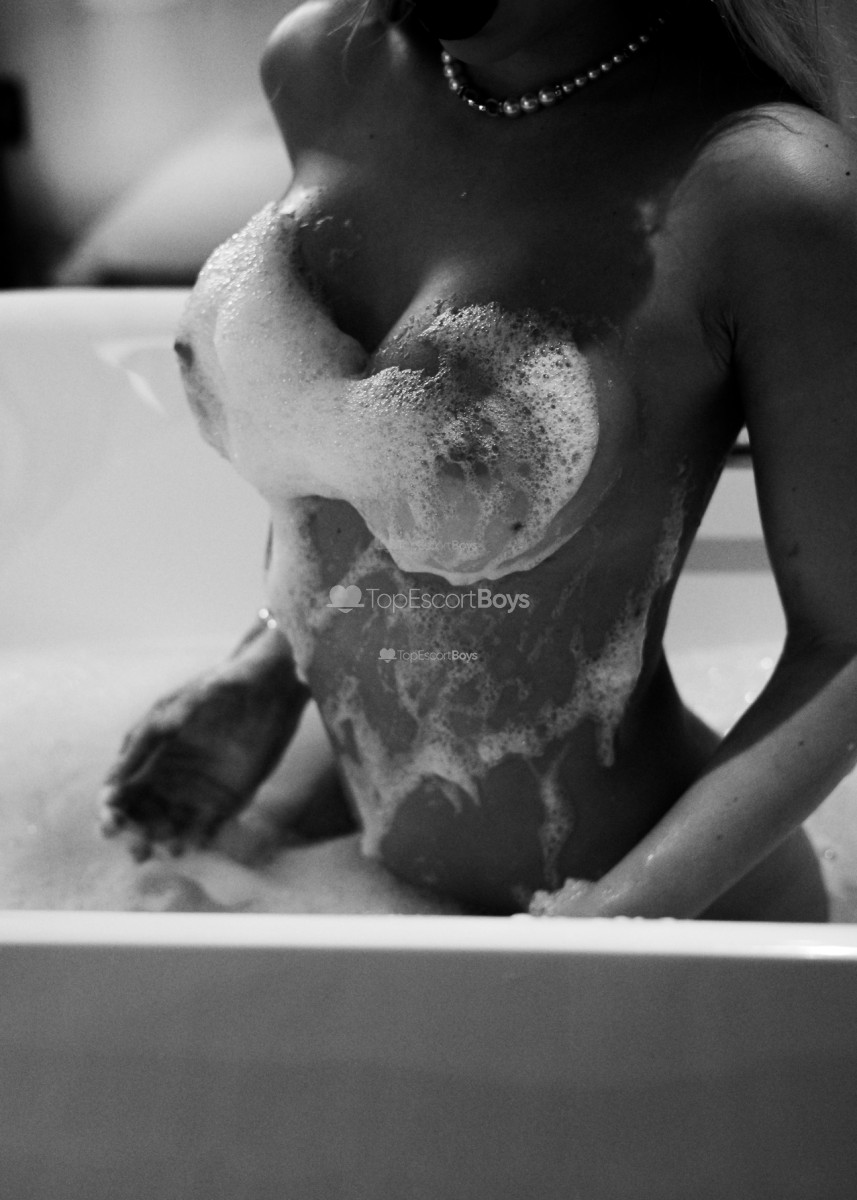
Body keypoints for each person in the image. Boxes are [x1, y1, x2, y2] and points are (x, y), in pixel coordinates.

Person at [100, 0, 857, 920]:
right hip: (368, 874)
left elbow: (845, 648)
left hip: (650, 911)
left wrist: (604, 930)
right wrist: (264, 669)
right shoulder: (322, 63)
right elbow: (336, 449)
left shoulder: (769, 185)